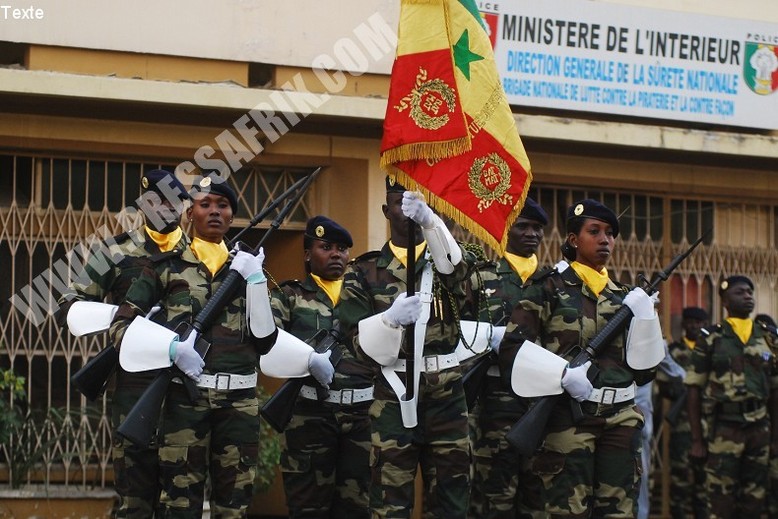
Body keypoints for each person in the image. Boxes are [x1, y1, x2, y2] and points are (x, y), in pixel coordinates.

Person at [109, 176, 278, 517]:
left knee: (234, 506)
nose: (214, 211)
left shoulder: (249, 268)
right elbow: (121, 326)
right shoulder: (166, 267)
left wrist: (256, 281)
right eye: (205, 204)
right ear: (190, 214)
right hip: (185, 402)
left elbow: (267, 340)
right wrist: (170, 349)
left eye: (223, 205)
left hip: (239, 404)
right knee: (180, 504)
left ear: (233, 216)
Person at [498, 199, 665, 517]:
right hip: (567, 419)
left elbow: (645, 374)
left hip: (620, 420)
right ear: (573, 240)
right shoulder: (546, 288)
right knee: (567, 511)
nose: (605, 239)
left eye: (610, 234)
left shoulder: (626, 297)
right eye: (595, 231)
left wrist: (647, 321)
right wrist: (560, 375)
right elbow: (512, 350)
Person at [338, 178, 475, 518]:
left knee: (451, 498)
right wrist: (388, 322)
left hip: (447, 396)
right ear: (386, 210)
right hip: (393, 395)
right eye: (400, 202)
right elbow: (353, 341)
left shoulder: (444, 258)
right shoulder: (364, 272)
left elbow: (460, 275)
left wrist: (432, 223)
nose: (408, 210)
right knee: (389, 498)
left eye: (416, 202)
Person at [59, 168, 190, 518]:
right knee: (134, 496)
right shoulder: (114, 251)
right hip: (133, 386)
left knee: (181, 499)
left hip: (187, 389)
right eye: (156, 200)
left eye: (173, 200)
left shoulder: (198, 255)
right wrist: (124, 317)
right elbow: (72, 302)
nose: (164, 206)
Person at [269, 215, 374, 518]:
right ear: (307, 254)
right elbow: (269, 340)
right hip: (310, 416)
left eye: (342, 248)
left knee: (357, 508)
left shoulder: (366, 299)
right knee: (307, 507)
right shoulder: (288, 296)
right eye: (325, 247)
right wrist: (307, 360)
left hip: (361, 417)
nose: (336, 254)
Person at [466, 198, 549, 519]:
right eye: (523, 226)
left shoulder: (551, 281)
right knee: (493, 498)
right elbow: (464, 335)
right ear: (505, 231)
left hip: (540, 402)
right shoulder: (482, 278)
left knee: (536, 497)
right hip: (493, 403)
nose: (532, 234)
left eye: (538, 228)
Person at [686, 276, 778, 518]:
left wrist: (775, 437)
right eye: (740, 292)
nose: (748, 296)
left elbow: (776, 391)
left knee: (754, 499)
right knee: (720, 499)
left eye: (750, 292)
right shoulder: (711, 338)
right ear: (725, 301)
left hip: (760, 428)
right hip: (724, 429)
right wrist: (697, 440)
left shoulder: (768, 337)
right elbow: (694, 388)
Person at [656, 306, 709, 519]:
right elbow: (663, 385)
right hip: (682, 427)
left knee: (704, 484)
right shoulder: (674, 351)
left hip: (708, 426)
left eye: (698, 322)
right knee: (680, 481)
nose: (694, 326)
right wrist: (680, 389)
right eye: (690, 322)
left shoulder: (710, 350)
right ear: (684, 324)